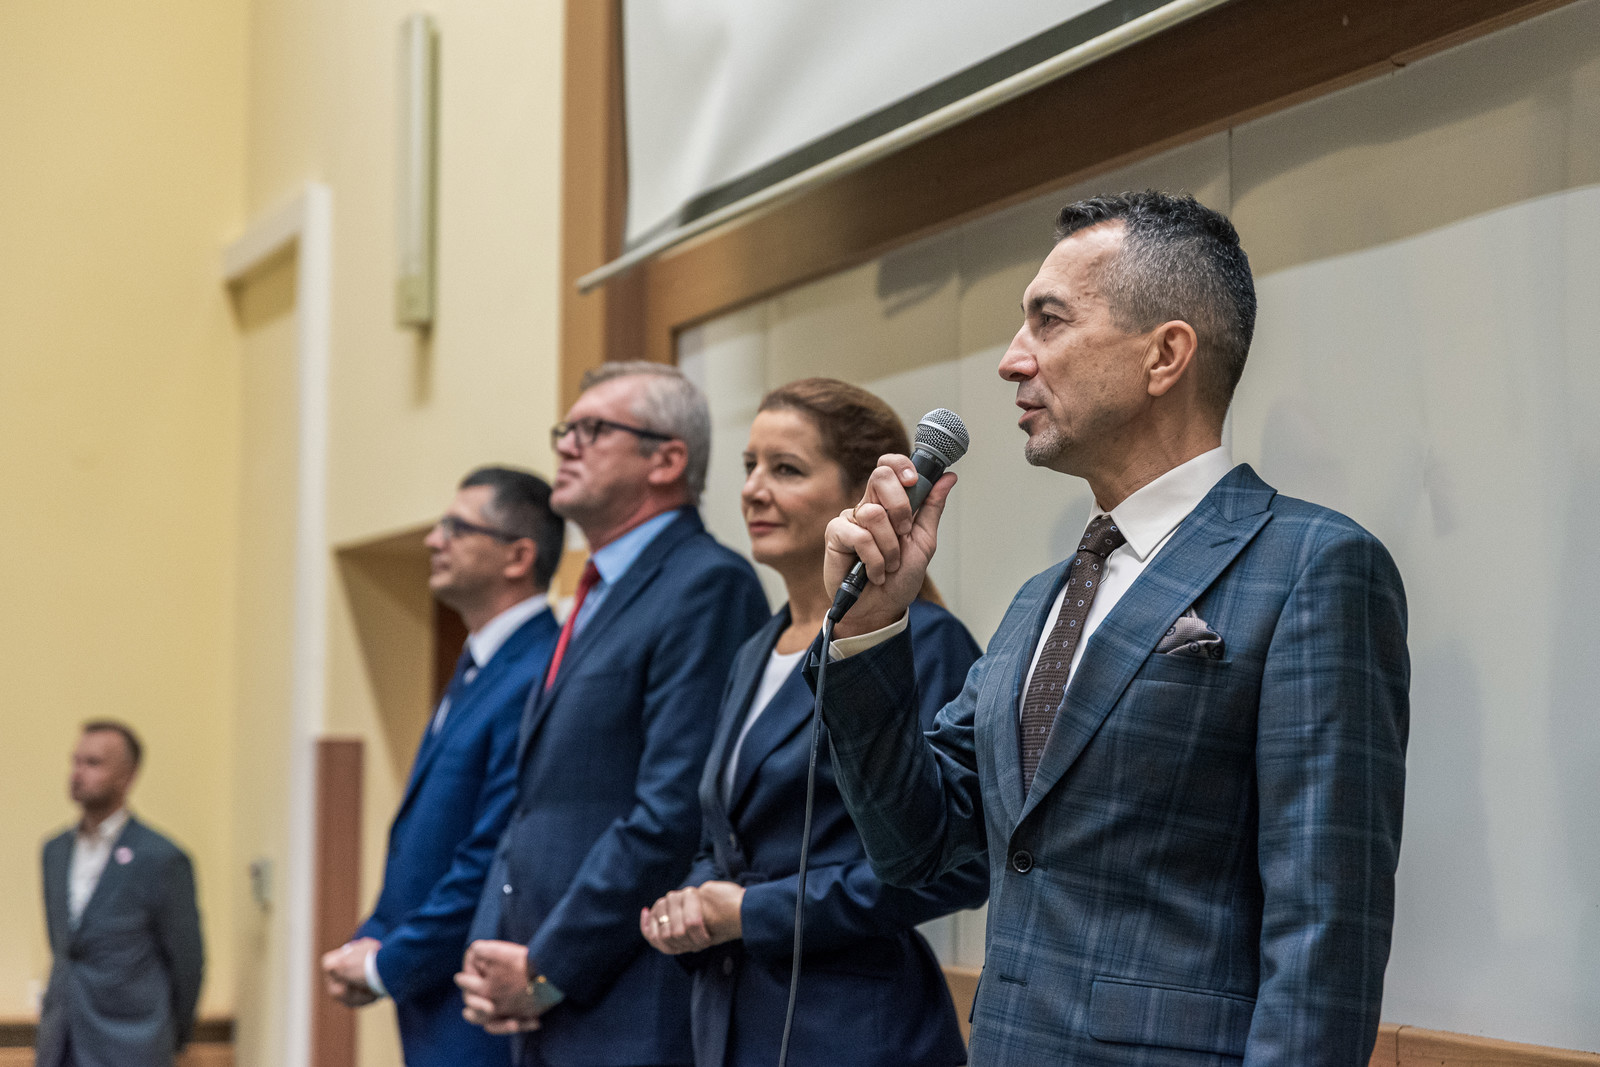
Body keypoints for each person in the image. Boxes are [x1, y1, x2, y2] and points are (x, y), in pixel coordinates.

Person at [814, 192, 1410, 1066]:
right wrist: (870, 625)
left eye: (1048, 321)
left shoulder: (1313, 565)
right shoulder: (1041, 599)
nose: (1012, 360)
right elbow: (919, 846)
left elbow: (1325, 934)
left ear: (1165, 355)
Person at [640, 379, 988, 1067]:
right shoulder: (754, 650)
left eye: (786, 469)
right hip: (731, 1017)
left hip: (853, 1028)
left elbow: (960, 866)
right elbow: (726, 831)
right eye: (749, 466)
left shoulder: (926, 640)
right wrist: (693, 901)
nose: (753, 490)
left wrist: (752, 912)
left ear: (868, 495)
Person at [456, 362, 770, 1067]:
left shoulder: (704, 584)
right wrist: (494, 949)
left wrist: (549, 967)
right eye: (566, 430)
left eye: (593, 430)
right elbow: (534, 806)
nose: (566, 445)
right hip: (543, 1000)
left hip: (629, 1002)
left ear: (667, 459)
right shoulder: (594, 590)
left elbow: (671, 813)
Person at [320, 467, 564, 1065]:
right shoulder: (479, 664)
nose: (434, 540)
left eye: (457, 528)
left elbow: (491, 851)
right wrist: (374, 936)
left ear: (518, 556)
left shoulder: (538, 671)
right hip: (434, 1002)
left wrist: (388, 963)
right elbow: (426, 841)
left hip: (478, 1003)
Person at [37, 722, 204, 1067]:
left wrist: (169, 1037)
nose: (78, 773)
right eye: (75, 761)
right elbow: (65, 949)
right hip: (62, 1042)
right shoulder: (55, 851)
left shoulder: (160, 858)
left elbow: (187, 962)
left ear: (127, 777)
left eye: (93, 763)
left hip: (131, 1044)